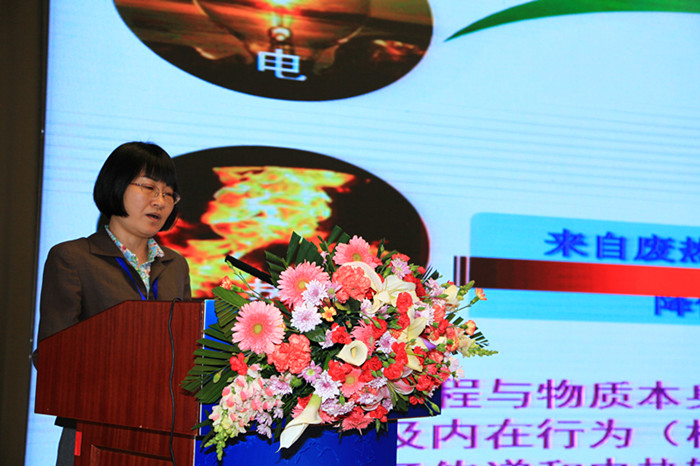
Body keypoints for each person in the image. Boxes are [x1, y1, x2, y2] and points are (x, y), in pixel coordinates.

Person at [35, 141, 192, 466]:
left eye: (169, 194)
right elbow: (52, 356)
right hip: (95, 429)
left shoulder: (176, 265)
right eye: (148, 187)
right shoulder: (73, 258)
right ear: (116, 185)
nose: (160, 201)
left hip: (165, 433)